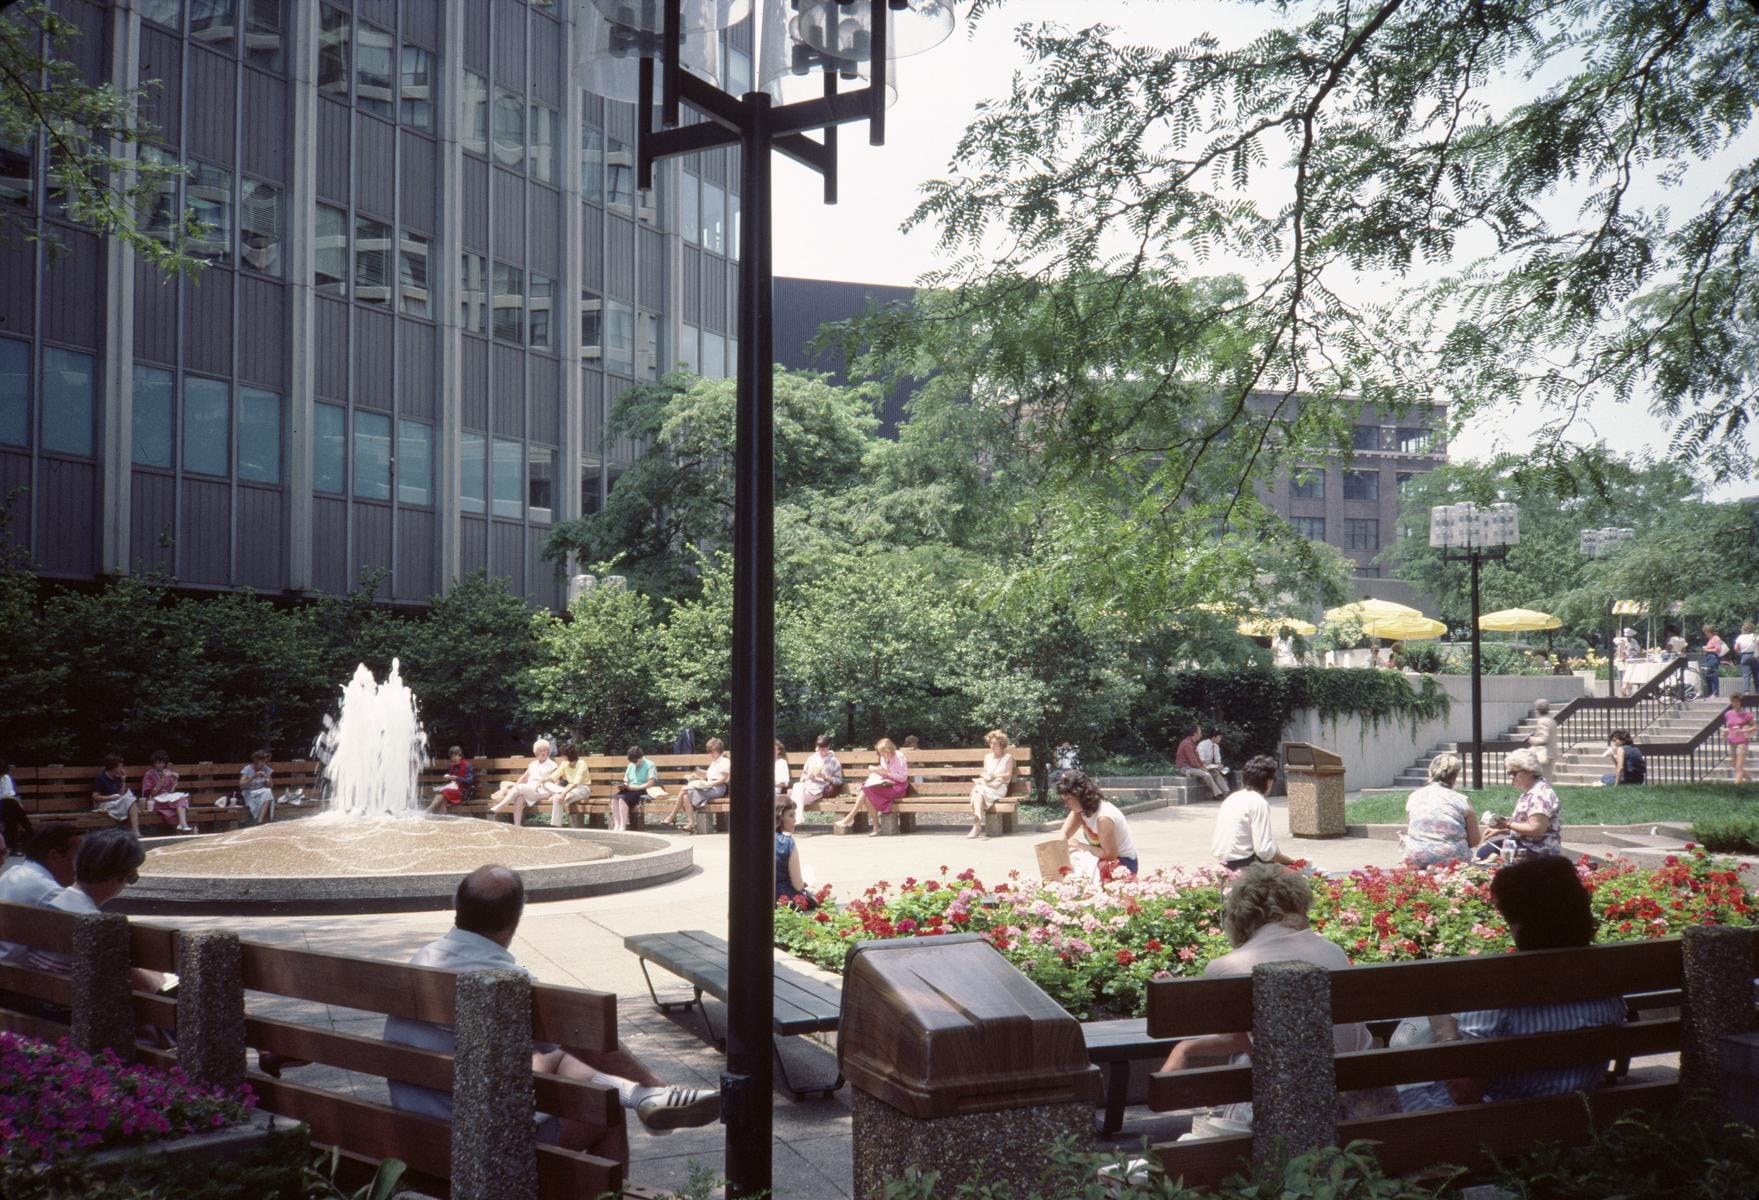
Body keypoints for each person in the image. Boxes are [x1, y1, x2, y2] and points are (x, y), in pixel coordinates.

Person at [383, 865, 719, 1154]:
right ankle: (646, 1094)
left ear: (457, 907)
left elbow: (567, 1047)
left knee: (558, 1056)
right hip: (476, 1144)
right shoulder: (511, 982)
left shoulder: (422, 960)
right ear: (517, 916)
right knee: (605, 1115)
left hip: (416, 1127)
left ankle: (642, 1097)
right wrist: (649, 1077)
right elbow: (588, 1040)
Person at [1157, 865, 1377, 1131]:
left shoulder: (1225, 968)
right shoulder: (1333, 951)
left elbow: (1245, 1043)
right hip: (1358, 1105)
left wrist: (1186, 1047)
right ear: (1299, 907)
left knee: (1244, 1063)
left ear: (1239, 917)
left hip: (1283, 1114)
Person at [1448, 855, 1627, 1103]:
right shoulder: (1607, 975)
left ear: (1519, 922)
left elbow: (1464, 1093)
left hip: (1502, 1121)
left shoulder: (1497, 987)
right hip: (1580, 1110)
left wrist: (1444, 1035)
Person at [27, 829, 164, 995]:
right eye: (131, 878)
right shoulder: (99, 925)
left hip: (41, 1001)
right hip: (73, 1013)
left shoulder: (47, 906)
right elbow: (146, 986)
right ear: (119, 877)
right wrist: (159, 976)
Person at [0, 825, 83, 966]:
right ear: (55, 857)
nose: (81, 866)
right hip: (14, 978)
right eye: (78, 858)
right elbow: (94, 925)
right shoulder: (50, 892)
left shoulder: (12, 872)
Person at [1210, 755, 1296, 870]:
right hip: (1243, 865)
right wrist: (1290, 861)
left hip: (1222, 863)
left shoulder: (1232, 798)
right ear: (1269, 781)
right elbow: (1264, 851)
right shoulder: (1258, 802)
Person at [1479, 747, 1563, 858]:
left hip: (1538, 851)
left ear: (1529, 771)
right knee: (1485, 852)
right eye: (1509, 773)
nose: (1511, 777)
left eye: (1514, 773)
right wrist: (1500, 830)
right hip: (1526, 845)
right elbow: (1524, 826)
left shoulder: (1540, 795)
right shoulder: (1531, 792)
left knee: (1485, 854)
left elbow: (1536, 829)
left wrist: (1508, 824)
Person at [1400, 752, 1480, 867]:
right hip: (1453, 859)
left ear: (1430, 772)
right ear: (1455, 776)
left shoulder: (1414, 797)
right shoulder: (1461, 800)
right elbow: (1474, 840)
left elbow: (1412, 828)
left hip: (1416, 856)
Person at [1057, 770, 1139, 878]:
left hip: (1122, 863)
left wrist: (1080, 846)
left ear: (1080, 796)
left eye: (1068, 800)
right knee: (1068, 865)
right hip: (1102, 859)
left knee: (1079, 871)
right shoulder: (1079, 811)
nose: (1066, 805)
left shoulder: (1104, 817)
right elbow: (1064, 835)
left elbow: (1110, 855)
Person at [839, 737, 909, 836]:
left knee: (866, 790)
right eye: (879, 752)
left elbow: (903, 778)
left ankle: (852, 818)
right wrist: (876, 772)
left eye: (882, 752)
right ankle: (875, 826)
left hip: (898, 787)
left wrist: (887, 774)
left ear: (888, 750)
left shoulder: (899, 756)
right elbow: (884, 772)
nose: (880, 755)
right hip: (885, 784)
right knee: (866, 789)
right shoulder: (883, 757)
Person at [658, 738, 729, 831]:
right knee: (685, 797)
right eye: (709, 751)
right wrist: (699, 779)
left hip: (718, 789)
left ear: (718, 751)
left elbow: (722, 780)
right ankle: (691, 824)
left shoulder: (724, 762)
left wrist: (708, 784)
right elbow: (711, 778)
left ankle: (672, 816)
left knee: (684, 789)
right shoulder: (714, 762)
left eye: (712, 751)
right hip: (710, 786)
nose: (710, 754)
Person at [489, 739, 561, 828]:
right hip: (529, 790)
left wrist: (554, 793)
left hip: (542, 791)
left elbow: (557, 781)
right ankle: (517, 826)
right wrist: (514, 788)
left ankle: (501, 806)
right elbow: (523, 778)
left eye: (545, 750)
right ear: (536, 753)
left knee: (521, 787)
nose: (543, 753)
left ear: (548, 752)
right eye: (540, 751)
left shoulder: (552, 765)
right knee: (519, 797)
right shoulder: (532, 764)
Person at [964, 730, 1013, 839]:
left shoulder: (1008, 757)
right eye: (991, 743)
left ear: (1002, 744)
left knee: (978, 791)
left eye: (995, 743)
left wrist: (994, 776)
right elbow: (985, 772)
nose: (992, 746)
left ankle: (976, 825)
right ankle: (978, 821)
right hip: (986, 785)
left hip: (999, 787)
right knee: (978, 790)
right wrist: (983, 778)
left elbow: (1008, 775)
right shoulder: (987, 757)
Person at [788, 735, 843, 824]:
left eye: (824, 749)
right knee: (797, 785)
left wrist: (825, 777)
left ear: (828, 747)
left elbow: (839, 780)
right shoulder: (811, 758)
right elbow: (803, 776)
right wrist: (808, 776)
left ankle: (796, 818)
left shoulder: (834, 761)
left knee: (792, 799)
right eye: (820, 749)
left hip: (819, 788)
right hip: (806, 786)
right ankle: (799, 818)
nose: (822, 751)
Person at [140, 751, 193, 833]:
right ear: (154, 763)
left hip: (167, 798)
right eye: (158, 763)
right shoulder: (149, 774)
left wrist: (175, 783)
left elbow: (170, 792)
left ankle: (183, 824)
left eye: (162, 763)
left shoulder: (168, 772)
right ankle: (182, 824)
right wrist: (161, 780)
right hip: (155, 800)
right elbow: (151, 793)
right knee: (178, 804)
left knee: (182, 799)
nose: (160, 765)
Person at [611, 745, 661, 832]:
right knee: (614, 799)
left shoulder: (650, 765)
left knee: (622, 799)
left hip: (642, 789)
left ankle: (623, 826)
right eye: (632, 761)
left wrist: (636, 788)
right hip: (630, 788)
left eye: (635, 761)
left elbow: (651, 783)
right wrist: (623, 785)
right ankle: (617, 825)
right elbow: (626, 779)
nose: (634, 763)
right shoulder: (631, 765)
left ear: (641, 757)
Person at [774, 798, 813, 908]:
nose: (795, 820)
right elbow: (797, 885)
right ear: (780, 817)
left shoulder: (754, 840)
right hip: (783, 898)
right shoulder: (787, 843)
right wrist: (805, 883)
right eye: (791, 816)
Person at [1175, 724, 1225, 801]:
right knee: (1206, 774)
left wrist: (1203, 767)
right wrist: (1202, 768)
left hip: (1192, 768)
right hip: (1185, 768)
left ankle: (1225, 791)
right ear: (1195, 734)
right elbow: (1192, 762)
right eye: (1200, 732)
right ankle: (1218, 794)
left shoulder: (1192, 743)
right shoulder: (1187, 744)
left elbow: (1197, 759)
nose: (1201, 735)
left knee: (1214, 772)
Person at [92, 754, 140, 834]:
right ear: (114, 767)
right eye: (120, 766)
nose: (122, 768)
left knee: (131, 800)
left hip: (116, 803)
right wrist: (110, 797)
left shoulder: (116, 777)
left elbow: (121, 795)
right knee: (131, 802)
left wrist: (123, 780)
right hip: (104, 805)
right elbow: (95, 797)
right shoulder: (101, 778)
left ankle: (135, 832)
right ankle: (135, 832)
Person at [550, 744, 591, 827]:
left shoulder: (581, 763)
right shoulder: (564, 764)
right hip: (569, 789)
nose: (561, 756)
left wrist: (563, 794)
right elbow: (553, 776)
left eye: (563, 754)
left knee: (558, 798)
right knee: (556, 798)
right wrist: (541, 781)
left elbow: (576, 783)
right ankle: (556, 825)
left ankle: (556, 826)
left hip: (582, 789)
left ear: (567, 755)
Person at [425, 746, 476, 814]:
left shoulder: (467, 766)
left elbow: (469, 781)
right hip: (453, 789)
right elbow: (452, 781)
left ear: (460, 755)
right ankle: (443, 815)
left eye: (455, 756)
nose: (453, 759)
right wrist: (449, 777)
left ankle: (429, 809)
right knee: (443, 797)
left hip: (464, 792)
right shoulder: (452, 766)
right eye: (452, 757)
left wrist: (457, 778)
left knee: (443, 792)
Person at [0, 759, 31, 855]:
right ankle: (31, 832)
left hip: (6, 807)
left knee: (11, 814)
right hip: (5, 805)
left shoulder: (6, 778)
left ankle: (13, 847)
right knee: (10, 805)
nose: (1, 776)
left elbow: (10, 793)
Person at [239, 749, 277, 825]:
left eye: (265, 762)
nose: (264, 764)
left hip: (261, 792)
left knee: (268, 792)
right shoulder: (247, 769)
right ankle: (258, 820)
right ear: (256, 761)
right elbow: (241, 785)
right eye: (262, 762)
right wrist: (254, 776)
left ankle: (260, 820)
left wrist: (268, 780)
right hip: (249, 791)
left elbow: (270, 786)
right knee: (267, 795)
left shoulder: (266, 769)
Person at [1726, 694, 1755, 785]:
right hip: (1731, 741)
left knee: (1739, 767)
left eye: (1737, 702)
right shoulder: (1728, 714)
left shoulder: (1747, 715)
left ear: (1740, 702)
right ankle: (1750, 781)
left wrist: (1743, 731)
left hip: (1742, 742)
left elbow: (1755, 727)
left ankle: (1736, 788)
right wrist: (1725, 732)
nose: (1735, 704)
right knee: (1734, 765)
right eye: (1733, 702)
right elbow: (1729, 726)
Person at [1526, 699, 1559, 775]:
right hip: (1551, 753)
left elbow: (1544, 739)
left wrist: (1533, 739)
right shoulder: (1551, 720)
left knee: (1543, 779)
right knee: (1546, 778)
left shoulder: (1542, 721)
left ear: (1538, 709)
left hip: (1545, 754)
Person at [1702, 623, 1727, 698]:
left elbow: (1717, 649)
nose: (1705, 634)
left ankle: (1715, 692)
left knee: (1713, 675)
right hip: (1709, 657)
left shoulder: (1716, 638)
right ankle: (1711, 692)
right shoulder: (1711, 639)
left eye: (1706, 632)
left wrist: (1707, 649)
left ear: (1709, 631)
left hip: (1713, 657)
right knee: (1708, 675)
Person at [1738, 621, 1759, 695]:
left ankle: (1747, 691)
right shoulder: (1755, 636)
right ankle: (1758, 691)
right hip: (1754, 656)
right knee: (1756, 674)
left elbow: (1736, 647)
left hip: (1744, 655)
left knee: (1746, 675)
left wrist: (1740, 653)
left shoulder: (1740, 637)